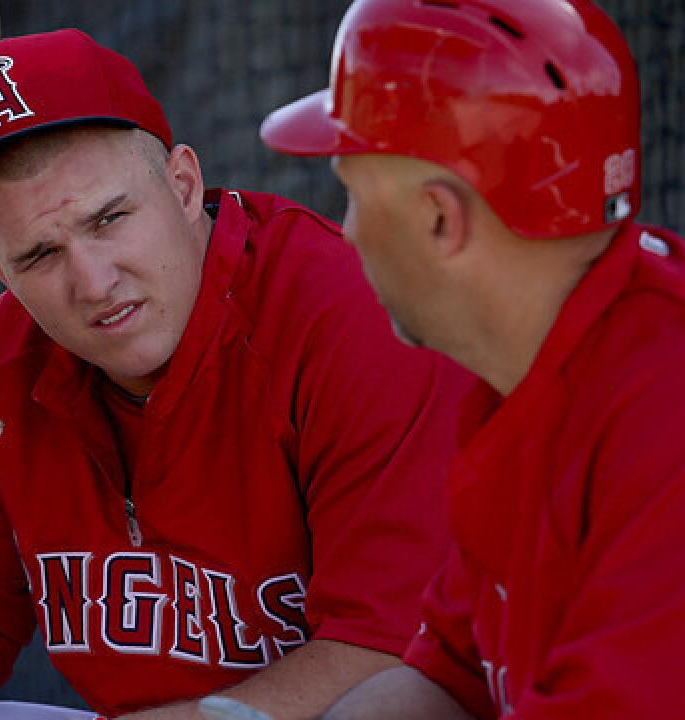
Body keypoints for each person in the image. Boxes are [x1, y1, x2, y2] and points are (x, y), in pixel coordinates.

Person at [0, 29, 470, 720]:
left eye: (109, 219)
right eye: (40, 255)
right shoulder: (0, 363)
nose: (94, 281)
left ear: (184, 185)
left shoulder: (342, 311)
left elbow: (400, 661)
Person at [260, 1, 685, 718]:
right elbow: (449, 678)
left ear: (439, 218)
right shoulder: (530, 369)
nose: (348, 233)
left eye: (350, 195)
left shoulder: (662, 414)